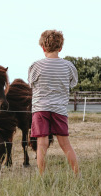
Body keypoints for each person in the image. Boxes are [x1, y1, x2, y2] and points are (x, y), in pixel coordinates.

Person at [28, 30, 79, 176]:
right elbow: (73, 83)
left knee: (41, 144)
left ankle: (42, 177)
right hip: (60, 109)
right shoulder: (69, 66)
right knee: (65, 145)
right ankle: (77, 175)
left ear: (43, 47)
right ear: (60, 47)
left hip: (40, 109)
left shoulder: (35, 66)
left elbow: (31, 83)